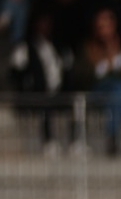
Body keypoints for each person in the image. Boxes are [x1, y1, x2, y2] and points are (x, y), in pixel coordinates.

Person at [9, 11, 73, 154]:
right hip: (36, 93)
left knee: (76, 103)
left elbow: (67, 66)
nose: (45, 27)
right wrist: (28, 83)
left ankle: (75, 141)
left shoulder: (59, 46)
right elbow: (15, 71)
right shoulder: (26, 46)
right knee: (45, 104)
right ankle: (48, 141)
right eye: (42, 23)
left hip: (58, 91)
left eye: (48, 23)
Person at [74, 8, 121, 156]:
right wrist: (104, 67)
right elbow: (82, 75)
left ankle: (112, 137)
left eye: (108, 26)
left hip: (116, 94)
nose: (105, 30)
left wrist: (116, 61)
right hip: (96, 91)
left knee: (117, 90)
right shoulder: (88, 47)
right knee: (118, 88)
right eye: (101, 27)